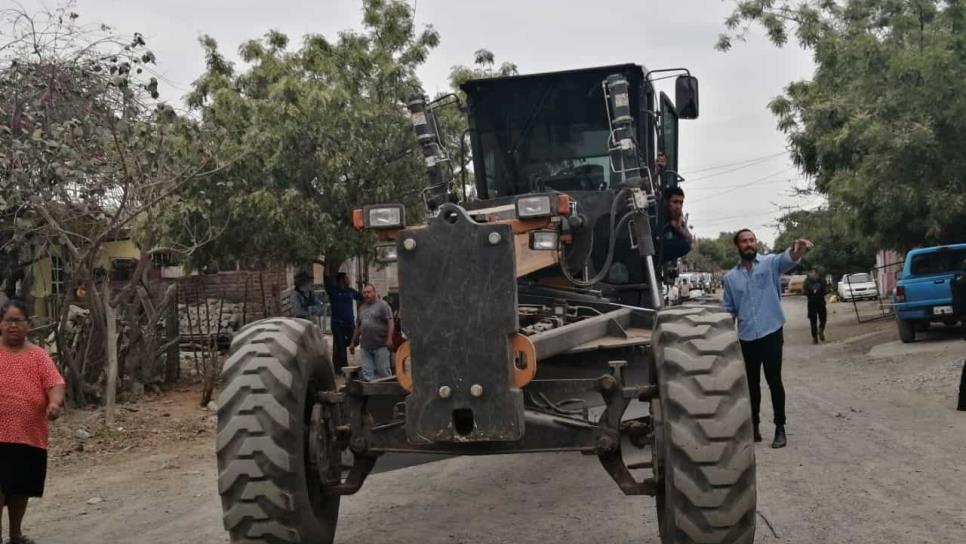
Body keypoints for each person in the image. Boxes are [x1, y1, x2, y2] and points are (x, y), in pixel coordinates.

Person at [722, 229, 812, 449]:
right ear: (738, 246)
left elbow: (787, 259)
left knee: (774, 381)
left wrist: (797, 252)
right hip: (746, 337)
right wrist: (724, 340)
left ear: (756, 243)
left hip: (771, 332)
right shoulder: (730, 278)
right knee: (751, 385)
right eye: (744, 241)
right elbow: (729, 310)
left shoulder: (770, 263)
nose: (749, 244)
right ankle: (754, 427)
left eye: (752, 240)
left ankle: (780, 428)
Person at [0, 299, 66, 544]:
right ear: (0, 324)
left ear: (28, 324)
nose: (13, 326)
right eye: (8, 320)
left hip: (28, 435)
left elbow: (55, 383)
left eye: (18, 321)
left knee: (19, 490)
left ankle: (15, 535)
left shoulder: (38, 356)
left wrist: (54, 403)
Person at [349, 284, 394, 381]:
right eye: (364, 293)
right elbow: (358, 326)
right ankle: (370, 395)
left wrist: (389, 339)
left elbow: (390, 322)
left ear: (374, 292)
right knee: (367, 373)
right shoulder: (362, 308)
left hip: (381, 345)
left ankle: (387, 394)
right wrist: (353, 342)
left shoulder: (383, 305)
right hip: (365, 346)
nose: (366, 294)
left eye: (368, 292)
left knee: (383, 372)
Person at [324, 271, 362, 373]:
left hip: (349, 323)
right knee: (341, 347)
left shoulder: (350, 291)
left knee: (355, 340)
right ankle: (343, 369)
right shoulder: (334, 291)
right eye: (346, 278)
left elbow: (361, 297)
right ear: (341, 280)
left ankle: (343, 347)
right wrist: (327, 272)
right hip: (338, 323)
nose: (348, 280)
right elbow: (326, 283)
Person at [661, 186, 694, 261]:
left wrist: (679, 228)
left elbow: (689, 239)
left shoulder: (678, 217)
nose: (678, 206)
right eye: (675, 202)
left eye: (681, 203)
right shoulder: (657, 216)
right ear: (666, 202)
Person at [804, 268, 828, 344]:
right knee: (823, 318)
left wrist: (809, 295)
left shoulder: (807, 281)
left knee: (813, 321)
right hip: (821, 301)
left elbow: (804, 291)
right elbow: (826, 290)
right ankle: (821, 329)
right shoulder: (822, 280)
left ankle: (815, 338)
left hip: (811, 303)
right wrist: (822, 294)